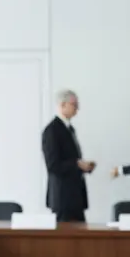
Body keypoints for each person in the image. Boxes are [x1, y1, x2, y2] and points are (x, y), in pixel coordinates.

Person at [41, 90, 96, 222]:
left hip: (75, 197)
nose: (77, 108)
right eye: (74, 104)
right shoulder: (52, 131)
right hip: (62, 198)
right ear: (62, 105)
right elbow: (53, 165)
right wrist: (77, 164)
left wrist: (83, 166)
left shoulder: (69, 129)